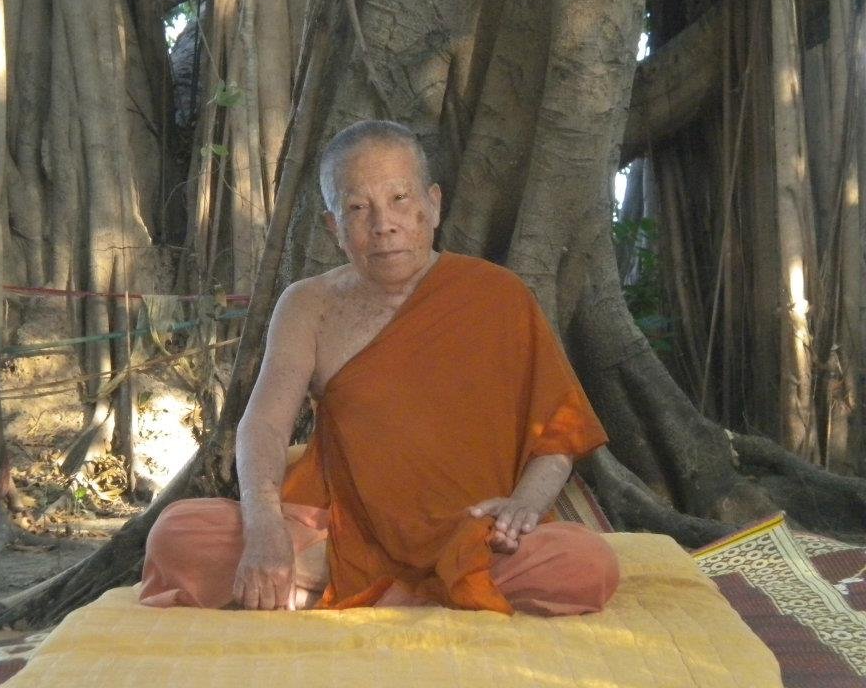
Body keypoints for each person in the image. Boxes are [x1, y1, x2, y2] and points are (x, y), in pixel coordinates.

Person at [139, 120, 619, 616]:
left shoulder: (499, 295)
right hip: (344, 531)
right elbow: (263, 425)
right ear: (333, 228)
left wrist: (525, 505)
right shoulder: (309, 305)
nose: (383, 224)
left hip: (471, 532)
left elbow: (558, 435)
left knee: (585, 566)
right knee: (177, 535)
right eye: (357, 208)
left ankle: (337, 585)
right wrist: (264, 530)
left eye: (399, 199)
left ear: (433, 204)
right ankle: (426, 588)